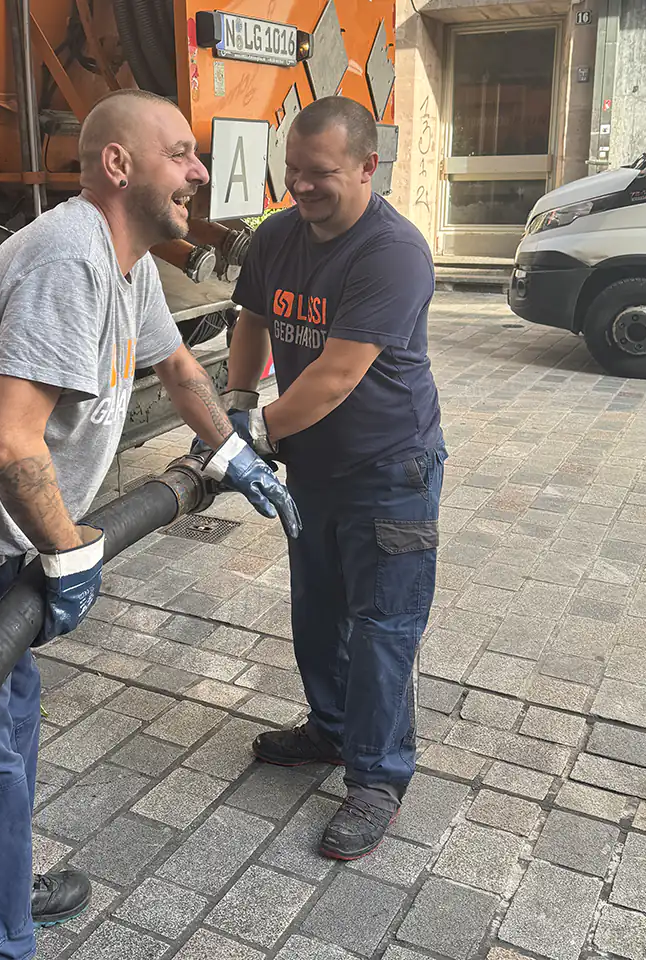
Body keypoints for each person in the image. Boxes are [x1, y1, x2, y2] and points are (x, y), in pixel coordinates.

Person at [0, 88, 300, 960]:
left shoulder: (128, 264)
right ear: (118, 165)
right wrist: (69, 550)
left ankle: (6, 885)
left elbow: (177, 366)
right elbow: (7, 442)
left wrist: (231, 452)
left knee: (9, 728)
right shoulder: (71, 263)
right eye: (180, 153)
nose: (199, 171)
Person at [222, 95, 446, 861]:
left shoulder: (393, 252)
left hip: (391, 471)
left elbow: (337, 375)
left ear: (366, 166)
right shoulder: (277, 236)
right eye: (292, 169)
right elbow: (252, 320)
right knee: (317, 614)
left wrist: (248, 435)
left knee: (382, 629)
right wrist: (236, 400)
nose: (300, 186)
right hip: (312, 469)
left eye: (319, 173)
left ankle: (377, 778)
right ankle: (331, 729)